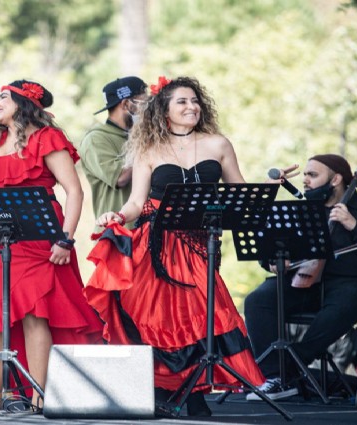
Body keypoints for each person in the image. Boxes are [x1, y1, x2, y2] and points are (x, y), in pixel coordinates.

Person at [84, 75, 265, 417]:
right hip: (156, 244)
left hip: (200, 243)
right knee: (158, 316)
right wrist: (117, 216)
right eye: (182, 101)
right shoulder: (149, 149)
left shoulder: (218, 144)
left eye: (195, 101)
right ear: (164, 109)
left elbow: (239, 192)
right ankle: (160, 392)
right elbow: (136, 202)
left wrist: (267, 188)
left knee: (201, 314)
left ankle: (194, 392)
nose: (191, 106)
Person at [0, 79, 103, 412]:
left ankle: (39, 394)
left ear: (23, 103)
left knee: (36, 313)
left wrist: (65, 239)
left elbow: (74, 191)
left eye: (4, 97)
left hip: (39, 240)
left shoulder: (48, 138)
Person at [244, 154, 357, 400]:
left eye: (312, 175)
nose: (305, 180)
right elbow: (274, 248)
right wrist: (274, 261)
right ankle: (275, 376)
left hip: (354, 287)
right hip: (308, 283)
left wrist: (354, 225)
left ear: (336, 179)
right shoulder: (304, 212)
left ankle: (290, 367)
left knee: (348, 298)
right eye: (305, 175)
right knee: (259, 299)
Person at [78, 76, 147, 226]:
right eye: (144, 103)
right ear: (126, 104)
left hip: (147, 231)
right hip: (118, 231)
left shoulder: (138, 136)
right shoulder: (96, 139)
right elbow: (120, 178)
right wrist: (145, 141)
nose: (148, 110)